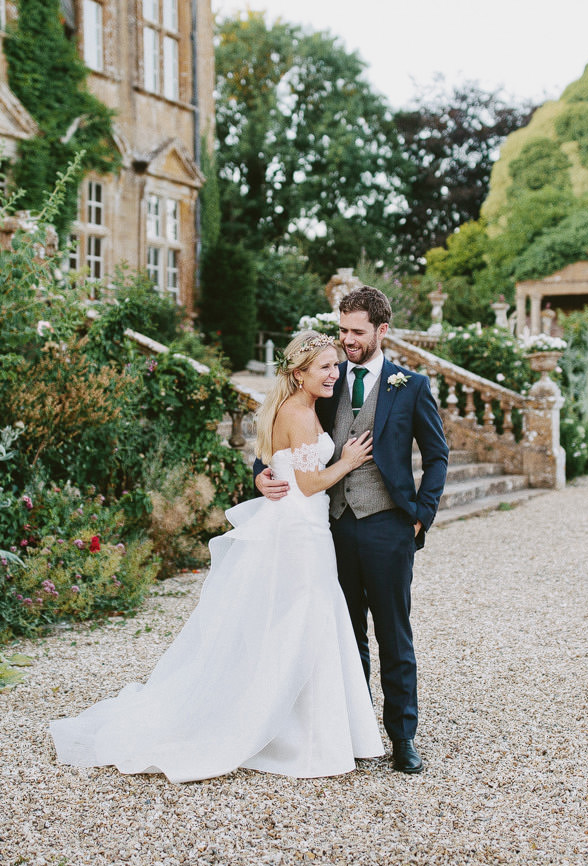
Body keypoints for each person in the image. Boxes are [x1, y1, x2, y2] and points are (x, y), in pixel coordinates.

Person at [48, 331, 383, 782]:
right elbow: (305, 483)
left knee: (298, 623)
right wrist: (345, 461)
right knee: (301, 621)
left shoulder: (299, 408)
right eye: (324, 366)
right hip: (299, 529)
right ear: (299, 372)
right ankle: (296, 737)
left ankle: (306, 729)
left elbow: (276, 464)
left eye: (335, 365)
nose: (333, 373)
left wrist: (270, 475)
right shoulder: (299, 413)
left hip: (301, 526)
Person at [255, 286, 449, 774]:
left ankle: (403, 737)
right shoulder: (326, 380)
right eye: (342, 330)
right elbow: (284, 436)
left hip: (387, 526)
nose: (347, 342)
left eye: (357, 332)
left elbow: (437, 454)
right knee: (345, 634)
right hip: (331, 528)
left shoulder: (412, 386)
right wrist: (259, 473)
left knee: (393, 634)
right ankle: (354, 732)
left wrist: (422, 511)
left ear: (382, 330)